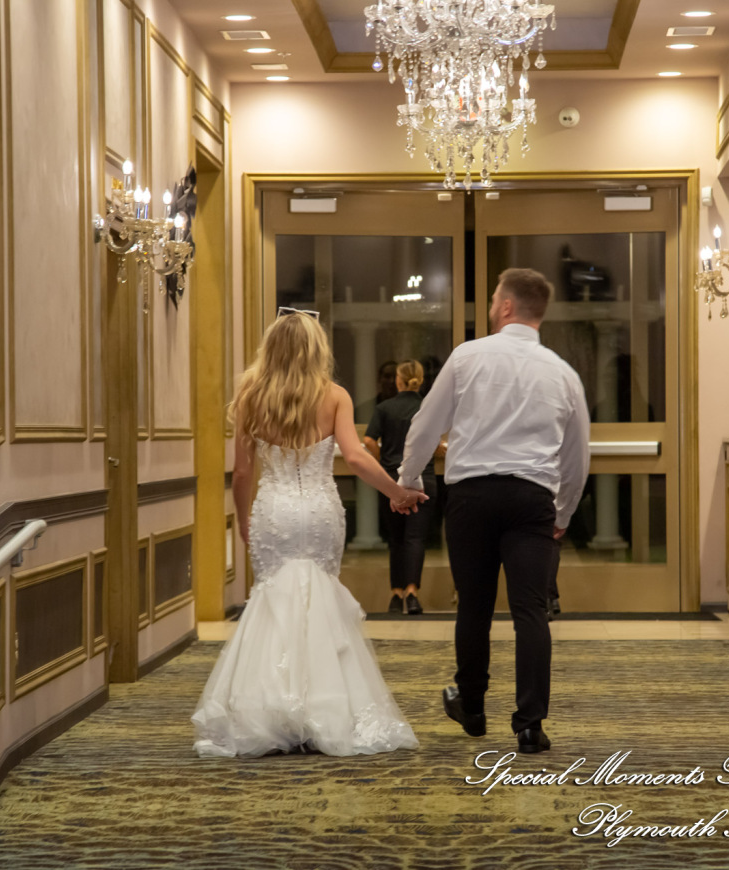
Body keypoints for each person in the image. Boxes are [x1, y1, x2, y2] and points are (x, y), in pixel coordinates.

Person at [192, 308, 425, 758]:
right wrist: (396, 492)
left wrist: (243, 520)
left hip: (274, 511)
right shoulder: (334, 395)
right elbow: (355, 458)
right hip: (319, 510)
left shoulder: (250, 396)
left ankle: (271, 710)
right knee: (319, 598)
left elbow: (242, 473)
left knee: (273, 602)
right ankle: (327, 708)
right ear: (316, 349)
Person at [397, 268, 590, 755]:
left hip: (473, 498)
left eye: (491, 300)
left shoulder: (468, 357)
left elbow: (425, 425)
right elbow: (577, 456)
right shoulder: (563, 373)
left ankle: (474, 707)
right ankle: (530, 725)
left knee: (475, 606)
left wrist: (408, 480)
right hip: (532, 502)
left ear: (505, 306)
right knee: (531, 611)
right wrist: (562, 513)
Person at [364, 360, 438, 616]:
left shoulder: (385, 408)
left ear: (398, 380)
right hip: (424, 479)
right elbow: (436, 442)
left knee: (396, 540)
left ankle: (395, 595)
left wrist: (383, 461)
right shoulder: (426, 408)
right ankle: (412, 593)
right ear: (420, 380)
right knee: (415, 538)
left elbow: (368, 440)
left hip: (391, 480)